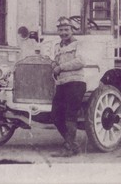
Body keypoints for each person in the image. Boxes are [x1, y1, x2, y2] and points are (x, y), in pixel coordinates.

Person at [51, 16, 86, 157]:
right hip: (61, 84)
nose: (64, 33)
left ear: (72, 30)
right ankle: (72, 144)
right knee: (55, 115)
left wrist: (60, 67)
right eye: (61, 30)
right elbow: (54, 62)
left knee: (70, 115)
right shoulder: (56, 46)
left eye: (66, 30)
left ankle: (70, 148)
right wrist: (53, 65)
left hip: (76, 83)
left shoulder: (78, 44)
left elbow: (80, 61)